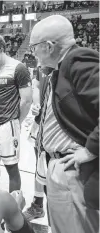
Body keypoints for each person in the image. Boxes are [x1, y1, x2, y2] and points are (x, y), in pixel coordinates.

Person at [30, 15, 99, 233]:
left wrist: (90, 150)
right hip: (60, 164)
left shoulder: (79, 59)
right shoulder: (58, 68)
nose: (32, 54)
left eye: (34, 48)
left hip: (75, 167)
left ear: (48, 47)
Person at [0, 34, 32, 193]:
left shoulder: (19, 68)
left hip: (8, 124)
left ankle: (14, 206)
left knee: (11, 167)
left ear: (1, 50)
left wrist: (17, 121)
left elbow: (26, 101)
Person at [24, 67, 53, 221]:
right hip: (40, 124)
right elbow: (36, 85)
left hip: (56, 128)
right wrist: (36, 104)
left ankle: (55, 213)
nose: (34, 53)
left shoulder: (66, 66)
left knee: (52, 170)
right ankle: (38, 205)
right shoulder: (42, 67)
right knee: (39, 166)